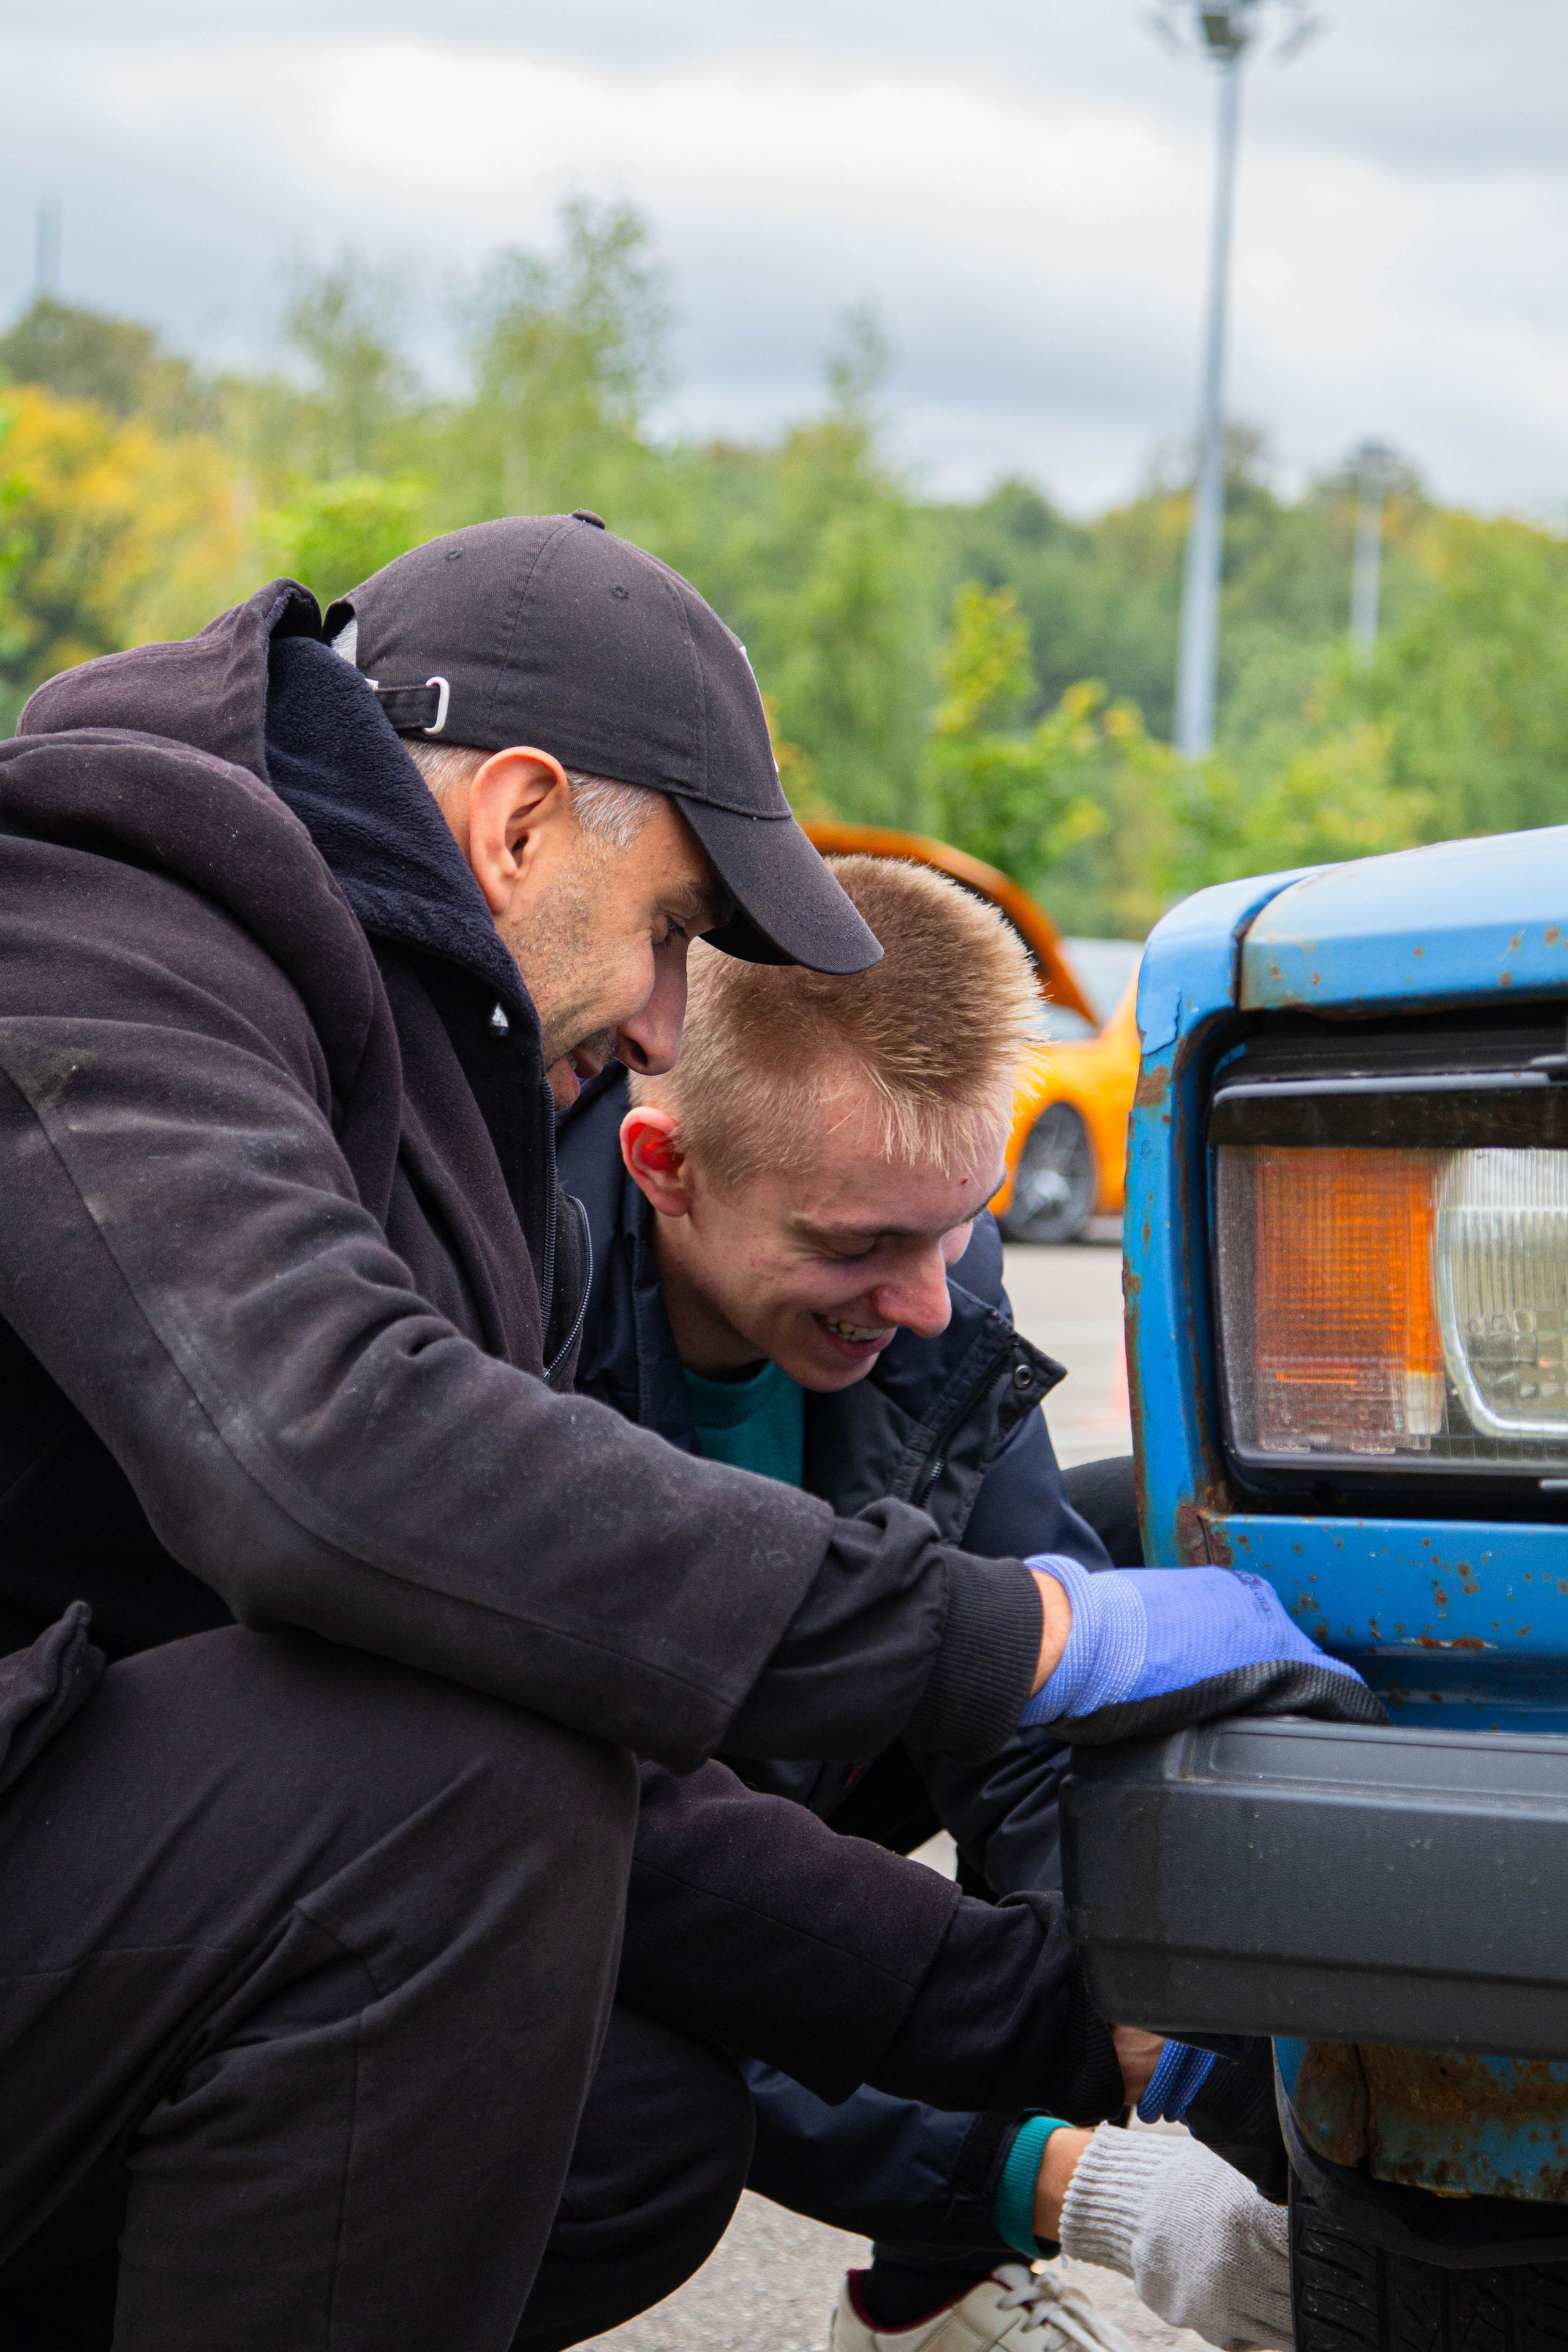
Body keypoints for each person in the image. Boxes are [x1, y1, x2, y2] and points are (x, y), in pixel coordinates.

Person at [0, 516, 1371, 2349]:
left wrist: (1064, 2006)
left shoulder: (412, 1097)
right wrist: (1021, 1639)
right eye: (669, 935)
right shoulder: (94, 912)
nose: (666, 1018)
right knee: (464, 1785)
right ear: (515, 820)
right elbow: (324, 1467)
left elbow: (594, 1758)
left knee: (623, 2130)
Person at [557, 854, 1299, 2352]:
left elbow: (1029, 1708)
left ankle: (923, 2307)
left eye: (957, 1222)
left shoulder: (918, 1257)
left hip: (789, 1731)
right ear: (663, 1165)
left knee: (1137, 1558)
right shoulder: (515, 1307)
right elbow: (624, 1877)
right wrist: (1052, 2172)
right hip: (578, 1815)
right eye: (857, 1248)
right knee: (638, 2085)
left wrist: (1140, 2017)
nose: (926, 1302)